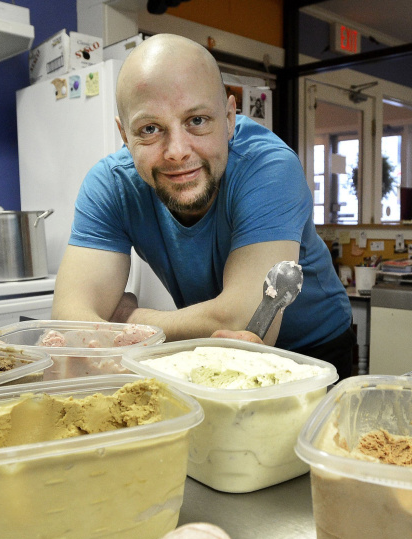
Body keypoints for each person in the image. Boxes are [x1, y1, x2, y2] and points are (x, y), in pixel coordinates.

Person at [52, 33, 355, 380]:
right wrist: (105, 327)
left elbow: (248, 323)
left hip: (313, 348)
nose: (177, 150)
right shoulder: (111, 185)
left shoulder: (269, 168)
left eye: (197, 120)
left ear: (228, 119)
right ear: (125, 135)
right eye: (150, 129)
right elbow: (70, 320)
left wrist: (127, 321)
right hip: (208, 348)